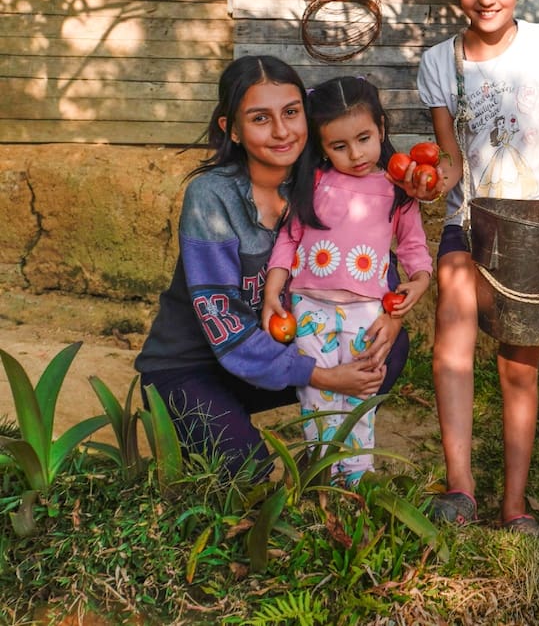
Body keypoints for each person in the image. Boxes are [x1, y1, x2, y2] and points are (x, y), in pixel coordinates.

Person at [135, 56, 408, 482]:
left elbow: (364, 258)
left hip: (274, 359)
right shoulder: (212, 198)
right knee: (249, 472)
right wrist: (323, 376)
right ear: (232, 129)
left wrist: (390, 316)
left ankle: (326, 463)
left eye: (291, 112)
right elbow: (222, 319)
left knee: (385, 346)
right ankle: (213, 425)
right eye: (260, 118)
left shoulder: (323, 180)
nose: (282, 131)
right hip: (191, 368)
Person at [416, 0, 539, 535]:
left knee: (519, 365)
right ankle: (460, 488)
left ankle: (515, 504)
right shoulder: (440, 62)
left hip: (537, 220)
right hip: (470, 220)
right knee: (451, 347)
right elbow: (451, 156)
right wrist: (429, 183)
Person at [259, 76, 433, 486]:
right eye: (339, 146)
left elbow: (413, 246)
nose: (355, 154)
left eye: (364, 138)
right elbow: (289, 238)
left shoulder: (397, 191)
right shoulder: (313, 184)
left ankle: (356, 477)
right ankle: (320, 473)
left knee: (361, 389)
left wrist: (421, 280)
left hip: (366, 310)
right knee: (316, 396)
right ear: (321, 147)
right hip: (308, 306)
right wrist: (273, 290)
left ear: (382, 130)